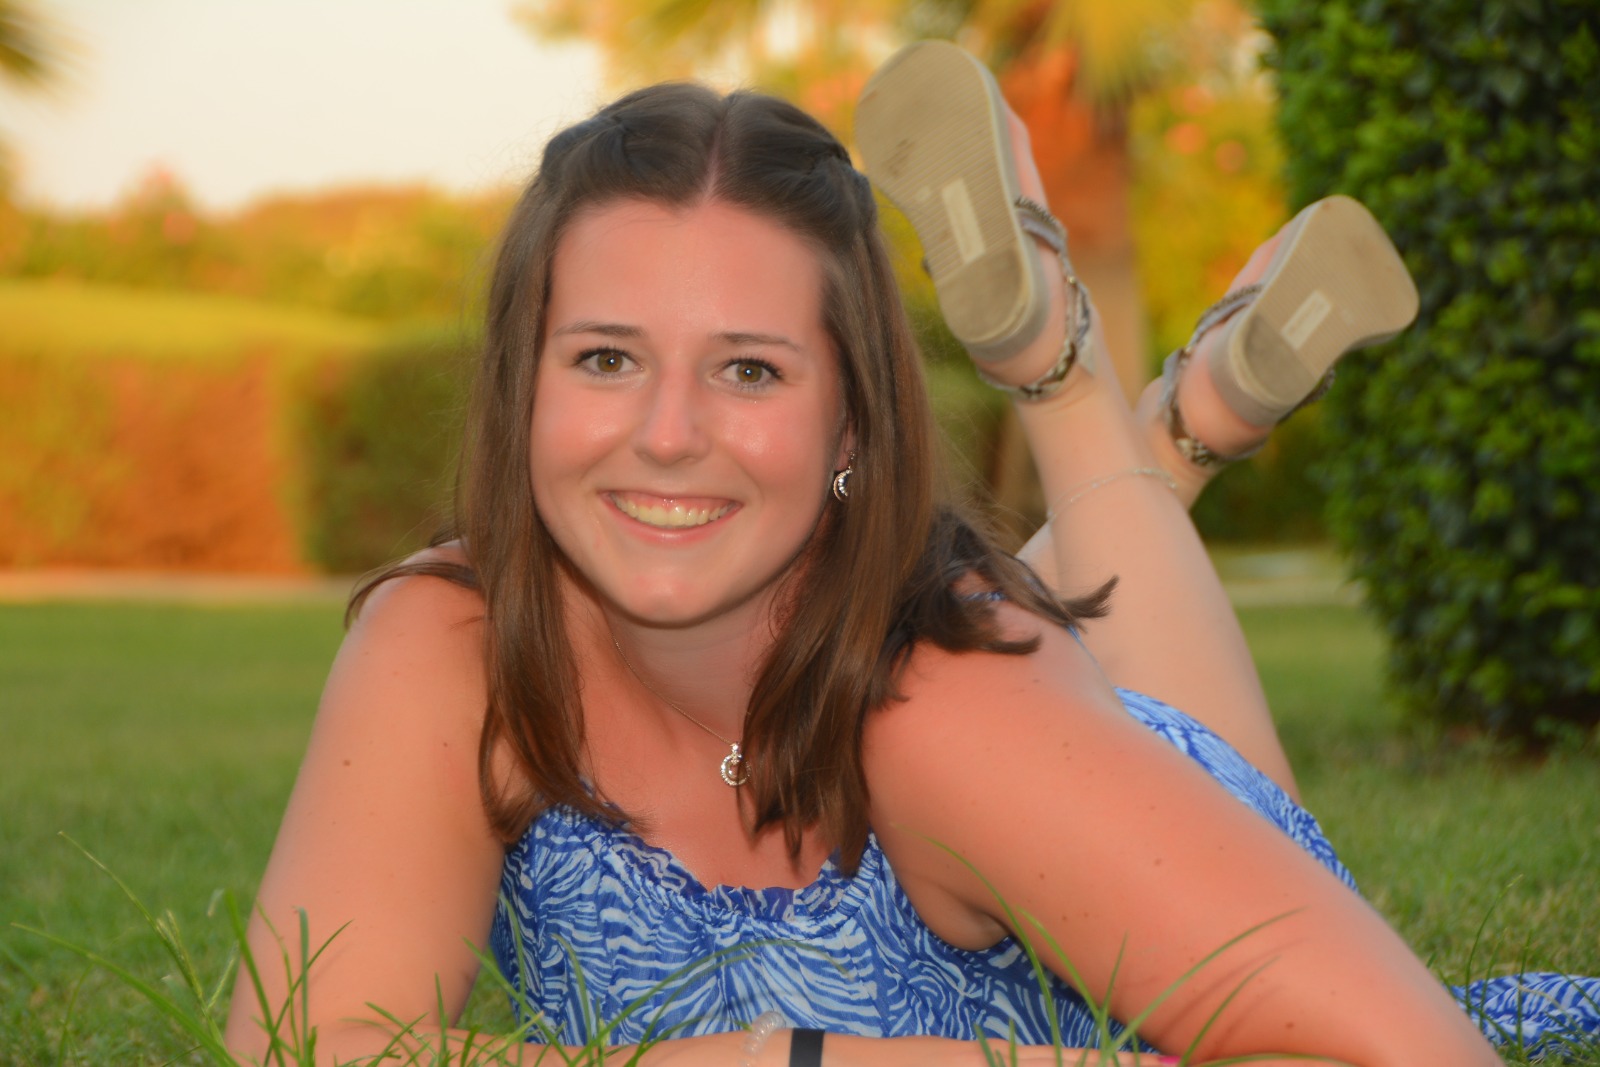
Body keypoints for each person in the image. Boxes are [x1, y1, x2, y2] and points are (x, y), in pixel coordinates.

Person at [224, 40, 1598, 1067]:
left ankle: (1069, 376)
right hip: (1027, 708)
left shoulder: (948, 710)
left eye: (749, 370)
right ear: (518, 386)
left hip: (1095, 773)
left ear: (851, 424)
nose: (666, 434)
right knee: (1076, 639)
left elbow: (1414, 1057)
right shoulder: (450, 637)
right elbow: (309, 1043)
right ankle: (1181, 422)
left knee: (1162, 740)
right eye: (604, 358)